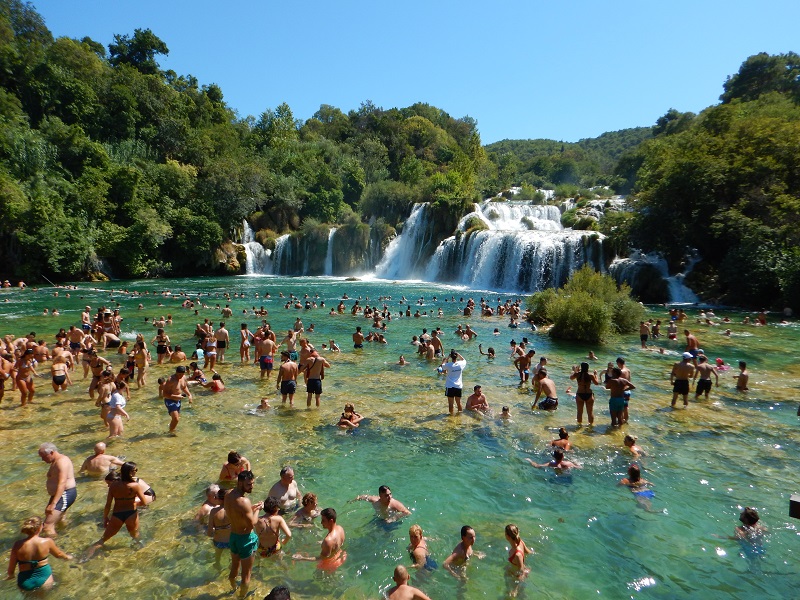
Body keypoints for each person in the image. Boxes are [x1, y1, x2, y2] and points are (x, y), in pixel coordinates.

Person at [87, 462, 148, 556]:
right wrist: (134, 503)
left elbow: (108, 504)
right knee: (136, 537)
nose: (136, 472)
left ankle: (86, 556)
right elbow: (144, 502)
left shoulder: (113, 485)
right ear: (130, 472)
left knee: (103, 539)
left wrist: (105, 517)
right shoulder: (135, 486)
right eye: (135, 470)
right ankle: (142, 555)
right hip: (131, 514)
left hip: (117, 515)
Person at [7, 516, 73, 592]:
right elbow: (59, 554)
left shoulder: (17, 545)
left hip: (24, 581)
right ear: (40, 527)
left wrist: (10, 576)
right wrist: (68, 557)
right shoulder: (47, 541)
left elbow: (11, 570)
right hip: (43, 577)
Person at [225, 471, 263, 597]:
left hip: (233, 537)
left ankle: (233, 589)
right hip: (246, 539)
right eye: (248, 484)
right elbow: (252, 523)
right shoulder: (244, 501)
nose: (251, 487)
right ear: (240, 482)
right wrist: (257, 510)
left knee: (234, 567)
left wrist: (250, 508)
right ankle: (242, 597)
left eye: (252, 484)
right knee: (246, 574)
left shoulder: (228, 494)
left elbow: (237, 512)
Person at [38, 443, 77, 537]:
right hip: (60, 495)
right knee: (59, 520)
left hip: (65, 494)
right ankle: (66, 536)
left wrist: (53, 504)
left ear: (51, 452)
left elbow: (62, 483)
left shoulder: (61, 462)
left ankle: (54, 548)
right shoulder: (56, 461)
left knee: (47, 526)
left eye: (43, 456)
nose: (42, 459)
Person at [163, 365, 192, 434]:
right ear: (176, 372)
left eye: (182, 374)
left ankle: (171, 427)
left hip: (178, 400)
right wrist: (176, 396)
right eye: (179, 374)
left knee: (176, 419)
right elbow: (164, 394)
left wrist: (189, 395)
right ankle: (170, 432)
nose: (181, 376)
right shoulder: (170, 380)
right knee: (176, 419)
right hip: (169, 400)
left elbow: (184, 387)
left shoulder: (183, 377)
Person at [505, 523, 533, 594]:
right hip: (513, 571)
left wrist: (515, 589)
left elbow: (521, 573)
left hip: (516, 576)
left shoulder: (517, 555)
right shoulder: (520, 542)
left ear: (507, 536)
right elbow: (528, 552)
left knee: (511, 595)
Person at [207, 488, 231, 565]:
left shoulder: (213, 512)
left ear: (219, 499)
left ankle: (217, 564)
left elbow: (209, 532)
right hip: (231, 541)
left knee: (217, 556)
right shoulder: (232, 510)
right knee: (233, 559)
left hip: (218, 541)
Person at [440, 350, 466, 414]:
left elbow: (442, 365)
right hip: (458, 386)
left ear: (451, 357)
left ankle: (451, 416)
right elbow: (464, 360)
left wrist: (448, 357)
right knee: (458, 403)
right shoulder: (460, 364)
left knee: (451, 404)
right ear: (456, 356)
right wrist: (459, 354)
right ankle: (460, 415)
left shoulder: (448, 365)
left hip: (450, 386)